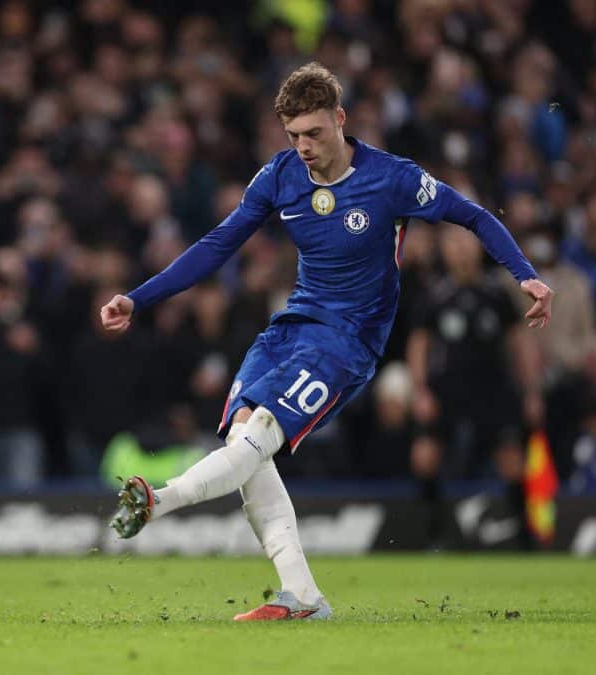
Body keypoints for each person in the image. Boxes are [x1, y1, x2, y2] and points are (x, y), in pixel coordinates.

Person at [100, 62, 554, 621]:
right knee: (247, 443)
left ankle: (159, 501)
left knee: (254, 443)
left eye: (314, 133)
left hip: (348, 342)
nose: (305, 146)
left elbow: (475, 216)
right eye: (293, 136)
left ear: (340, 119)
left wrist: (525, 274)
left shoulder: (392, 178)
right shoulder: (279, 177)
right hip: (290, 330)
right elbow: (217, 244)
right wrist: (138, 299)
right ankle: (304, 598)